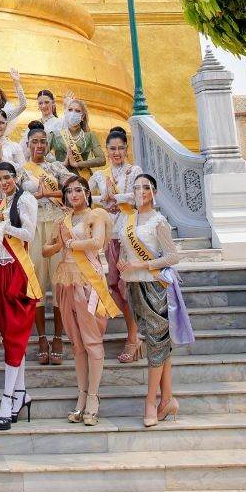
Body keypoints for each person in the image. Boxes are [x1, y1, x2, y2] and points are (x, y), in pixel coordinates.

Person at [117, 173, 192, 427]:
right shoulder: (127, 220)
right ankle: (168, 399)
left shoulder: (159, 221)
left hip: (155, 288)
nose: (141, 191)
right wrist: (122, 263)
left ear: (154, 193)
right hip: (134, 286)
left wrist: (144, 263)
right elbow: (123, 249)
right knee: (157, 343)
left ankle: (151, 401)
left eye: (146, 187)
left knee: (157, 344)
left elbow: (173, 257)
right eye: (136, 187)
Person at [44, 175, 115, 427]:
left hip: (89, 282)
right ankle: (81, 396)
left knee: (92, 341)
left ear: (87, 192)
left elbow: (96, 242)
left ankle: (93, 398)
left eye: (78, 190)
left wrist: (71, 243)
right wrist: (58, 245)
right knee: (76, 344)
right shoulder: (62, 220)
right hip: (65, 280)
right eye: (69, 191)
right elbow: (47, 249)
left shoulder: (96, 215)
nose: (74, 195)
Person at [0, 162, 39, 429]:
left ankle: (7, 399)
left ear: (16, 178)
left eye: (7, 177)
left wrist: (3, 226)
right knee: (9, 335)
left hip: (17, 269)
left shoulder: (25, 200)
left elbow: (30, 233)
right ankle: (21, 393)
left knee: (16, 332)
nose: (3, 182)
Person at [90, 126, 143, 362]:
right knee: (112, 285)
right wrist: (101, 201)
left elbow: (137, 196)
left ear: (126, 148)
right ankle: (134, 331)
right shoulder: (101, 175)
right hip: (109, 234)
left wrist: (115, 198)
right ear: (107, 150)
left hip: (128, 235)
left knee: (125, 286)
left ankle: (133, 336)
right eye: (112, 148)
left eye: (121, 148)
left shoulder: (134, 171)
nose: (117, 152)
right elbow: (87, 195)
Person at [22, 121, 68, 365]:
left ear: (47, 144)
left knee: (59, 281)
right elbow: (13, 195)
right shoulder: (21, 170)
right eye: (34, 141)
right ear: (28, 144)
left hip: (57, 226)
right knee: (37, 283)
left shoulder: (56, 167)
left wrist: (46, 194)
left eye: (42, 141)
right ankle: (41, 337)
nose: (38, 145)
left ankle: (58, 336)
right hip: (34, 227)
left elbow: (75, 189)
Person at [49, 97, 105, 182]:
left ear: (82, 116)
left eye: (77, 111)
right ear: (66, 113)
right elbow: (40, 157)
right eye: (70, 110)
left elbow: (102, 159)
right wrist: (60, 164)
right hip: (61, 180)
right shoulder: (55, 135)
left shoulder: (89, 136)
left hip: (83, 179)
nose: (73, 113)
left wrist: (77, 164)